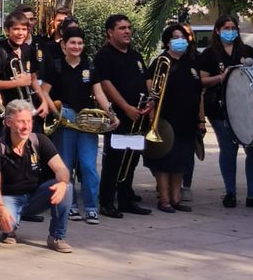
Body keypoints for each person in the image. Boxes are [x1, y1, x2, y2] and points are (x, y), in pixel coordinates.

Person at [198, 14, 253, 209]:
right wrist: (220, 78)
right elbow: (201, 81)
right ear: (218, 31)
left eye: (233, 28)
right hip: (220, 109)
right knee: (228, 148)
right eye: (226, 28)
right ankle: (230, 193)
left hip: (248, 108)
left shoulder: (247, 51)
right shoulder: (209, 54)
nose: (230, 31)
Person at [39, 26, 116, 224]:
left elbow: (99, 93)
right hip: (64, 118)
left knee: (89, 166)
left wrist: (111, 114)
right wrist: (56, 113)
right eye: (72, 43)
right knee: (66, 165)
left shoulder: (90, 67)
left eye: (80, 43)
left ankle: (91, 207)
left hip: (86, 121)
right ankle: (70, 204)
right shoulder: (56, 66)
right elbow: (44, 91)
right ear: (64, 45)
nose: (76, 46)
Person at [0, 99, 73, 252]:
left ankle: (57, 237)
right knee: (5, 222)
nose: (26, 126)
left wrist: (62, 183)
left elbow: (62, 169)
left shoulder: (39, 140)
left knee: (67, 187)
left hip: (35, 197)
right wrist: (0, 207)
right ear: (8, 122)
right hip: (9, 198)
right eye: (21, 121)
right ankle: (8, 231)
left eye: (29, 121)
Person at [93, 15, 152, 218]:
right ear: (110, 32)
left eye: (129, 27)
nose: (127, 31)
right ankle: (107, 202)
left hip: (138, 116)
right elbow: (106, 85)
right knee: (114, 160)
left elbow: (146, 79)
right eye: (122, 28)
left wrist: (151, 102)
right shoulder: (104, 55)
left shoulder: (135, 55)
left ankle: (126, 200)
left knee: (132, 159)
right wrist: (126, 107)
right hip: (119, 116)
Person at [144, 24, 203, 213]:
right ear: (168, 41)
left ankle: (176, 197)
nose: (181, 41)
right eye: (176, 37)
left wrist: (201, 120)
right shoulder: (161, 62)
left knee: (181, 161)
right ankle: (164, 199)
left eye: (183, 37)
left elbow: (199, 92)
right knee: (164, 160)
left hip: (188, 120)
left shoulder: (190, 62)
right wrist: (152, 118)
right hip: (166, 119)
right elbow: (151, 91)